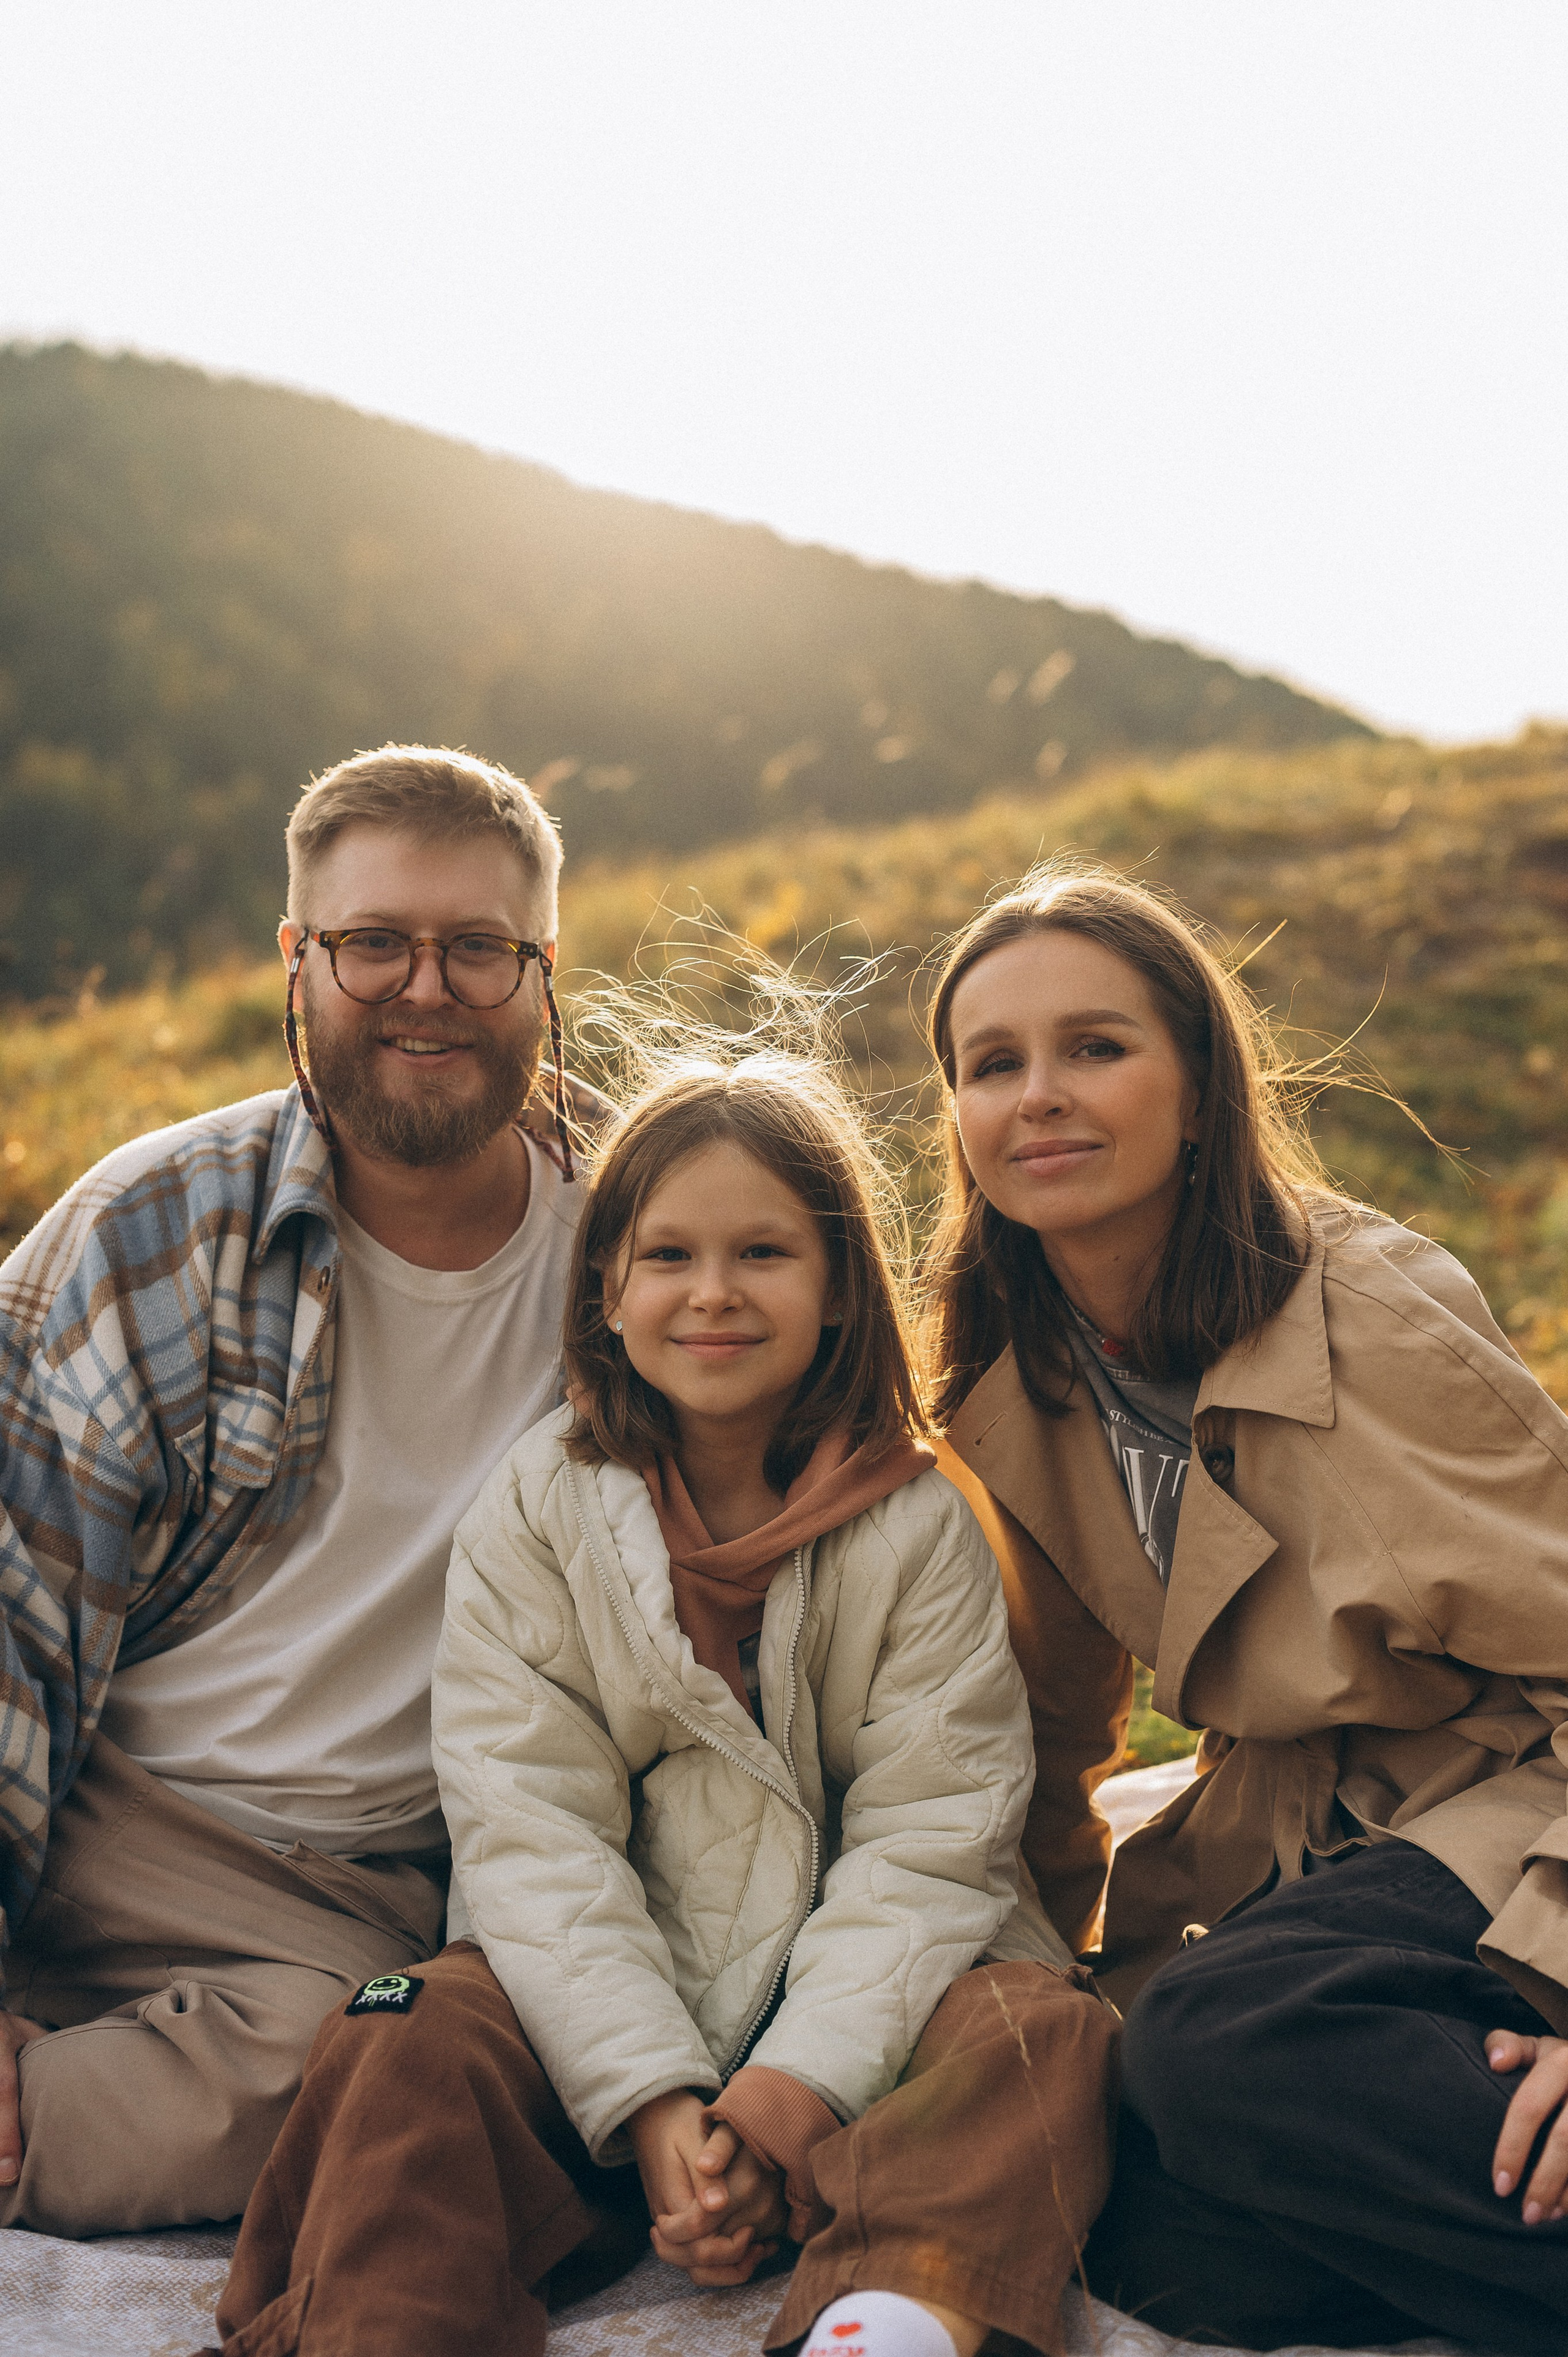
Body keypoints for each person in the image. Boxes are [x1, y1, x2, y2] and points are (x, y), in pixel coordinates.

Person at [204, 1043, 1118, 2357]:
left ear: (840, 1292)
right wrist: (648, 2101)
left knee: (1042, 2033)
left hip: (863, 2027)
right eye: (668, 1256)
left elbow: (934, 1837)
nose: (713, 1295)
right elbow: (528, 1825)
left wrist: (788, 2094)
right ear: (606, 1290)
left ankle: (887, 2318)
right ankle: (385, 2329)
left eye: (763, 1254)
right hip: (594, 2012)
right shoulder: (539, 1509)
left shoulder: (916, 1524)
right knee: (401, 2034)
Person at [920, 863, 1568, 2355]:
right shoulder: (1014, 1378)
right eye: (991, 1064)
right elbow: (1049, 1736)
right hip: (1314, 1849)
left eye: (1094, 1047)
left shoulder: (1373, 1313)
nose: (1039, 1097)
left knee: (1217, 2041)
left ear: (1199, 1088)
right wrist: (1013, 2012)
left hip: (1512, 1798)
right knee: (1141, 2228)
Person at [0, 744, 603, 2237]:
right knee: (379, 2077)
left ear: (541, 970)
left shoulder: (639, 1233)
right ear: (297, 959)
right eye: (372, 944)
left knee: (438, 2056)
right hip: (114, 1809)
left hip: (400, 1871)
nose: (426, 988)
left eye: (476, 948)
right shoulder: (152, 1229)